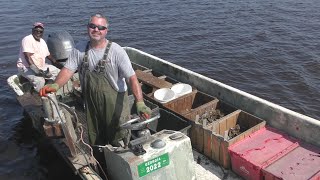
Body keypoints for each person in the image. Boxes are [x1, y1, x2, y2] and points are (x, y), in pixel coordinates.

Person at [40, 13, 151, 147]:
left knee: (118, 134)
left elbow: (132, 78)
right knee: (96, 134)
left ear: (106, 31)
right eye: (93, 26)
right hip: (91, 102)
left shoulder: (117, 51)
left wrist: (140, 103)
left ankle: (120, 153)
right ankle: (101, 155)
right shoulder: (79, 49)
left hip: (114, 103)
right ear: (88, 27)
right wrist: (56, 85)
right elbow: (68, 70)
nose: (96, 30)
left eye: (101, 27)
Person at [17, 22, 61, 92]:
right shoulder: (27, 39)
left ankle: (49, 86)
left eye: (40, 31)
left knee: (59, 73)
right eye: (36, 31)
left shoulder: (42, 41)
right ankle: (39, 95)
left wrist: (59, 65)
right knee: (40, 80)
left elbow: (49, 56)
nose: (38, 33)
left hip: (41, 67)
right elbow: (27, 57)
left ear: (42, 32)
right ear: (32, 30)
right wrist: (37, 71)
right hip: (26, 67)